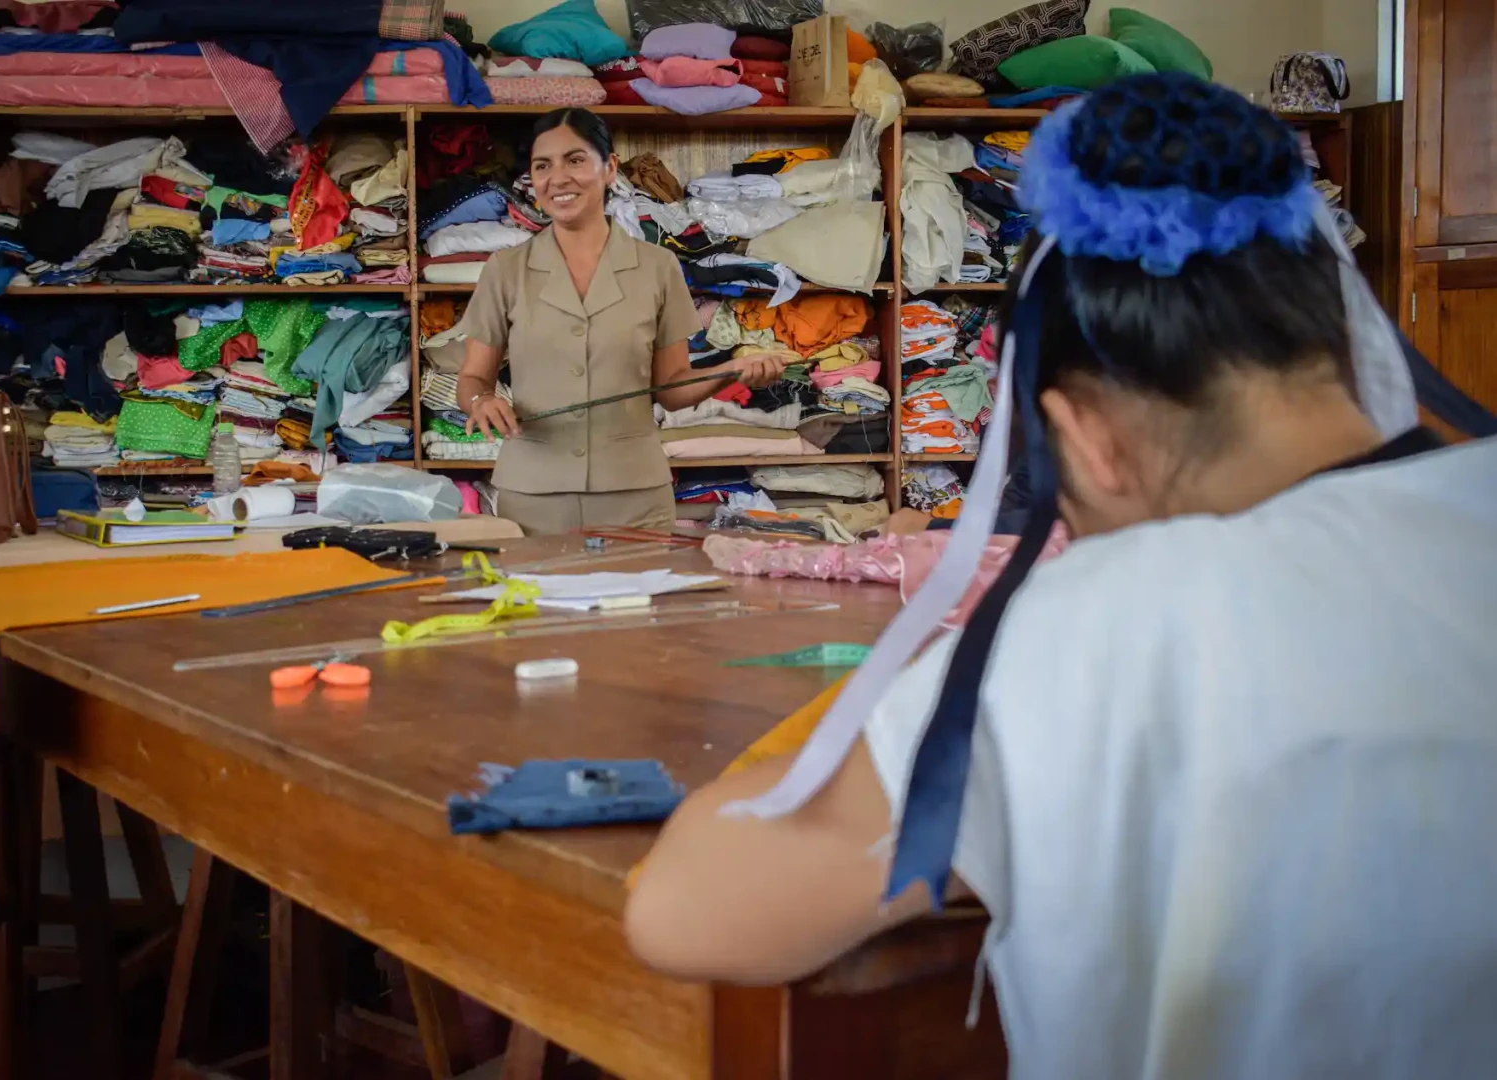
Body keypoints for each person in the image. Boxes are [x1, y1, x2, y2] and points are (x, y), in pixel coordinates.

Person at [626, 74, 1497, 1079]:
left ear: (1080, 436)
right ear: (1347, 339)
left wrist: (867, 727)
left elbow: (690, 911)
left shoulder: (1112, 621)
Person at [455, 108, 783, 536]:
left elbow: (673, 388)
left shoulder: (658, 267)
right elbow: (472, 379)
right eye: (542, 165)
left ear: (609, 168)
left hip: (635, 495)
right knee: (539, 604)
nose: (558, 177)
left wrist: (731, 371)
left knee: (636, 604)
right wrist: (483, 402)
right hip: (532, 496)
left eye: (575, 160)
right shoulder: (506, 269)